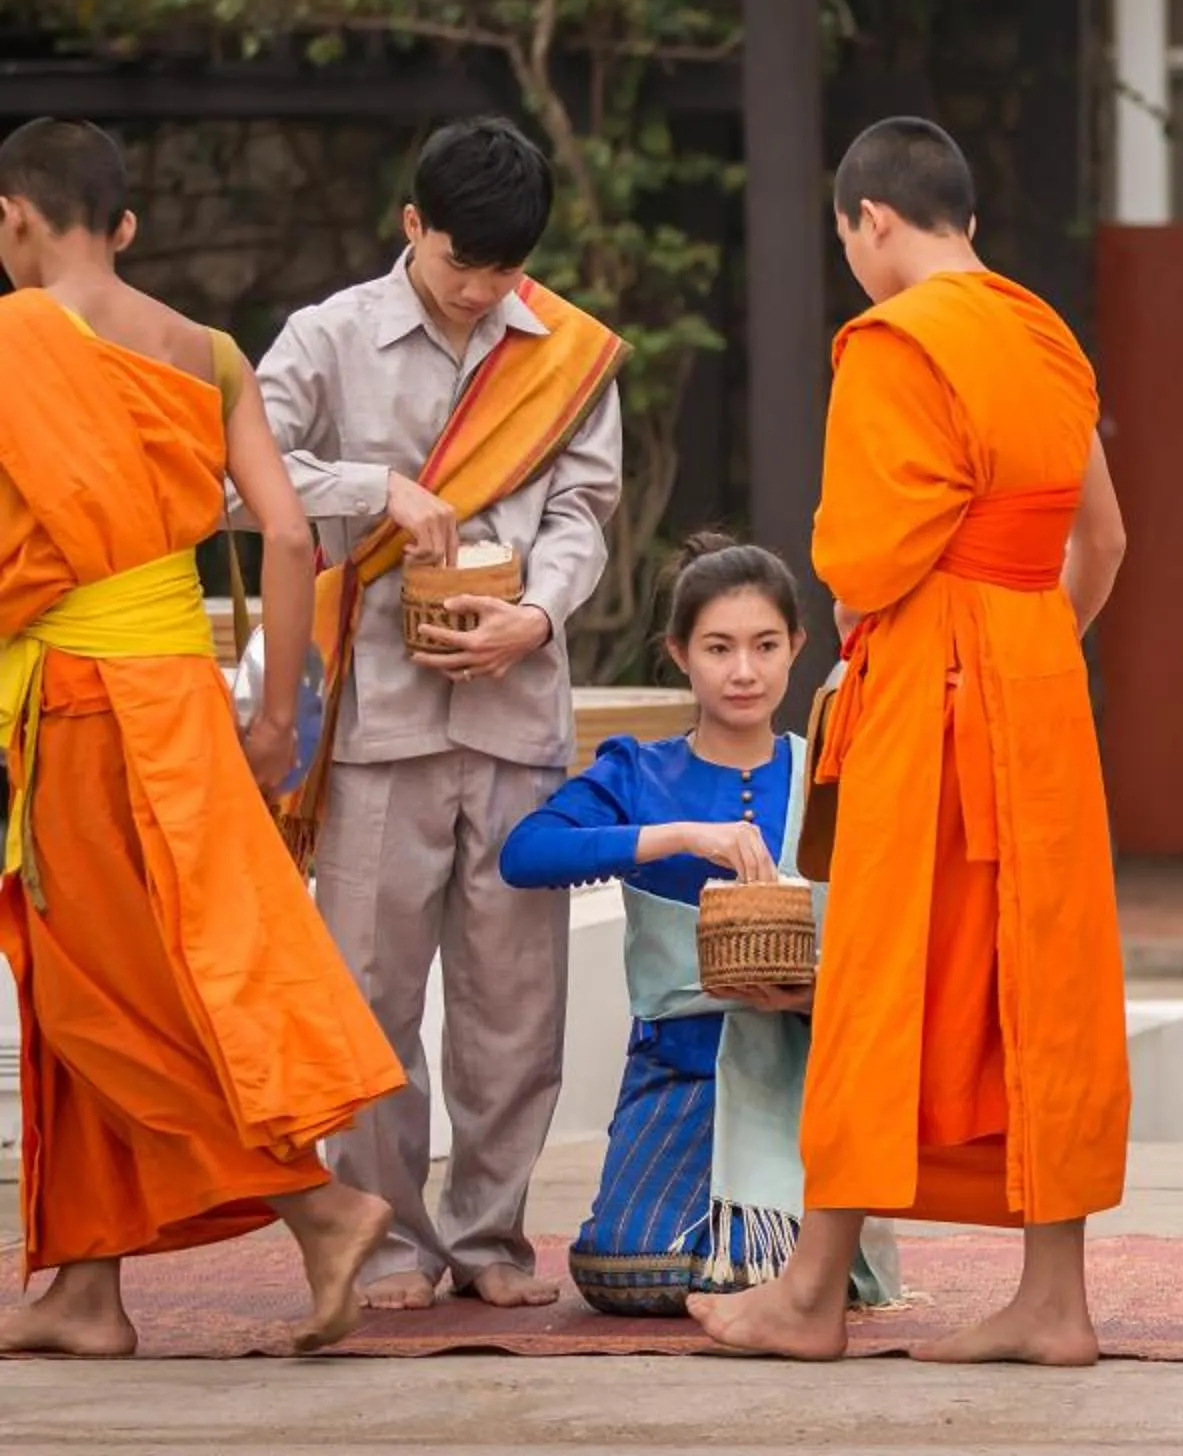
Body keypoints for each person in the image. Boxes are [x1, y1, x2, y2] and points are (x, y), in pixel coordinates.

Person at [690, 116, 1130, 1364]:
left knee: (884, 972)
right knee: (1041, 986)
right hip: (1037, 677)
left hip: (931, 688)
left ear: (870, 219)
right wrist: (1037, 651)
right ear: (966, 218)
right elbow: (1103, 541)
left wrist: (904, 616)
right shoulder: (1044, 331)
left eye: (849, 242)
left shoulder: (893, 341)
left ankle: (812, 1290)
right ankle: (1056, 1299)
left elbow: (861, 560)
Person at [0, 117, 402, 1357]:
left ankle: (320, 1207)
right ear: (120, 223)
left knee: (94, 1001)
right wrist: (277, 710)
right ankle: (84, 1289)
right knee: (159, 975)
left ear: (14, 216)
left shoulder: (13, 339)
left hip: (77, 701)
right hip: (183, 696)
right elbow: (285, 536)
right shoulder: (212, 350)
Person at [248, 116, 627, 1311]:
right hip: (376, 722)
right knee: (370, 993)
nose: (482, 293)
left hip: (516, 710)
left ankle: (492, 1236)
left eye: (506, 273)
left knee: (517, 1003)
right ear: (412, 226)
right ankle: (396, 1236)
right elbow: (234, 469)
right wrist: (379, 490)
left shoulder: (563, 349)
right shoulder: (330, 337)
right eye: (464, 265)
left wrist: (543, 613)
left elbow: (587, 508)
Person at [498, 535, 897, 1318]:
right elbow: (525, 853)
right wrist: (679, 837)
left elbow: (882, 930)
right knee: (624, 1272)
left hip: (799, 1076)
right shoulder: (639, 773)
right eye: (718, 648)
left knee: (758, 1267)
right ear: (679, 653)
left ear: (797, 648)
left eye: (764, 646)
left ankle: (790, 1265)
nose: (743, 671)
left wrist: (807, 995)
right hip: (678, 1073)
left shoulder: (828, 772)